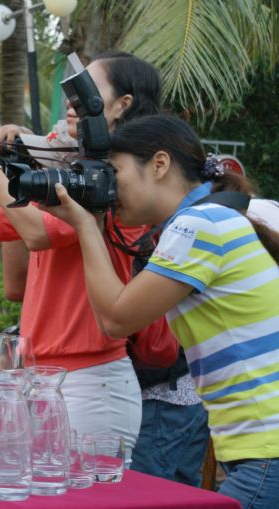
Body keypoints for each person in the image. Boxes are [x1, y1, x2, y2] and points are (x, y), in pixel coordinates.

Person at [45, 113, 279, 509]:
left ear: (159, 164)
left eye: (115, 172)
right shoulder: (231, 214)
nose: (109, 188)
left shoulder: (199, 224)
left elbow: (116, 319)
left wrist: (86, 226)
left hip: (266, 450)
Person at [0, 52, 164, 454]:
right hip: (44, 374)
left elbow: (36, 233)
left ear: (122, 105)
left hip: (91, 379)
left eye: (86, 91)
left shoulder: (111, 182)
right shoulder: (72, 169)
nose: (72, 103)